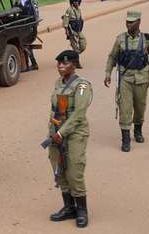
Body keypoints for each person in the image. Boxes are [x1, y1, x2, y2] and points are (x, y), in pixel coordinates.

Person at [46, 50, 92, 228]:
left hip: (74, 134)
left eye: (64, 64)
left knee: (74, 170)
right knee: (60, 169)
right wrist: (52, 131)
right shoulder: (59, 82)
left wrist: (61, 133)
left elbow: (79, 114)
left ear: (74, 64)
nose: (60, 67)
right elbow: (55, 109)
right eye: (58, 64)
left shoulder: (82, 86)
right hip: (56, 133)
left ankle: (82, 210)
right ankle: (68, 207)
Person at [104, 9, 149, 150]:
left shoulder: (147, 39)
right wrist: (108, 73)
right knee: (125, 108)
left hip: (142, 79)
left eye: (131, 22)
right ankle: (125, 139)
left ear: (139, 22)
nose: (128, 24)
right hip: (125, 79)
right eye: (127, 22)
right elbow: (112, 57)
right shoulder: (120, 39)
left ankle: (138, 130)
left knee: (140, 108)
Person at [16, 0, 39, 72]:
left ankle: (33, 64)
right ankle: (29, 64)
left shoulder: (25, 1)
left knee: (25, 44)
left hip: (28, 25)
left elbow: (21, 11)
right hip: (33, 25)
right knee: (26, 44)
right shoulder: (32, 0)